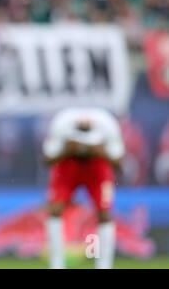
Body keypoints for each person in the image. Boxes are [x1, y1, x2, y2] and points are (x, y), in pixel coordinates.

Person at [42, 107, 124, 269]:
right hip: (67, 164)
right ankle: (56, 265)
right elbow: (48, 159)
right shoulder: (62, 122)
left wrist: (99, 151)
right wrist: (68, 150)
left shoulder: (107, 124)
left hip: (97, 167)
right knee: (55, 209)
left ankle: (104, 266)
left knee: (105, 213)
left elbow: (118, 162)